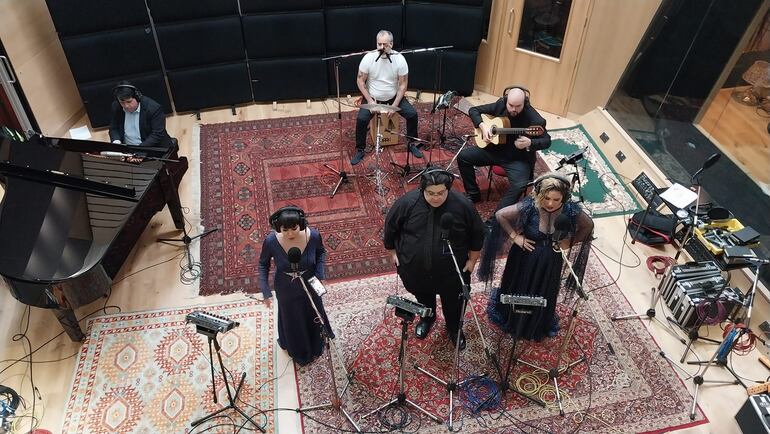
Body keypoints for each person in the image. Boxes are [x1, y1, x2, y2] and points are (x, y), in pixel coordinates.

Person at [478, 173, 593, 342]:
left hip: (551, 260)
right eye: (546, 198)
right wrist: (515, 237)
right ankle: (515, 320)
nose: (550, 203)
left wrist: (570, 242)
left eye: (556, 199)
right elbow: (500, 215)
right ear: (539, 194)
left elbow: (588, 225)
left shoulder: (570, 208)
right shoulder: (530, 206)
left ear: (565, 197)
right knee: (520, 286)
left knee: (543, 289)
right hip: (524, 259)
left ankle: (535, 323)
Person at [383, 169, 485, 349]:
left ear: (448, 189)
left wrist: (472, 261)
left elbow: (477, 234)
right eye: (430, 193)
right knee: (423, 298)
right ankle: (427, 319)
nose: (436, 198)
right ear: (422, 189)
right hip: (416, 269)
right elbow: (390, 228)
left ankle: (454, 328)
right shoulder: (407, 203)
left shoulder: (462, 205)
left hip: (452, 271)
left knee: (454, 303)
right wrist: (393, 253)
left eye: (441, 193)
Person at [258, 206, 334, 366]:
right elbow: (263, 265)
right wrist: (265, 291)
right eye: (285, 230)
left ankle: (317, 341)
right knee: (293, 318)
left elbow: (321, 253)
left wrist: (320, 275)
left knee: (316, 310)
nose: (291, 234)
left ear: (301, 224)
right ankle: (300, 350)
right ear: (279, 227)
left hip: (311, 281)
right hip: (286, 287)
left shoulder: (313, 236)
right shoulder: (271, 241)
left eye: (295, 228)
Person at [458, 86, 551, 211]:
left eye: (518, 106)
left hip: (517, 159)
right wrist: (483, 126)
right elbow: (473, 110)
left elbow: (547, 141)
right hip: (493, 150)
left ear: (525, 103)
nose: (513, 109)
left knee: (519, 186)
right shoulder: (500, 104)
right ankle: (473, 194)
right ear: (506, 100)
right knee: (463, 157)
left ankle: (497, 216)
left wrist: (530, 142)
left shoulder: (534, 119)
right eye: (511, 105)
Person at [351, 30, 422, 166]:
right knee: (361, 119)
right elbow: (360, 81)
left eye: (385, 45)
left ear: (392, 43)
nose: (382, 48)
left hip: (393, 97)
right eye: (379, 44)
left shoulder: (400, 59)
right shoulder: (368, 58)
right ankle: (360, 149)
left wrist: (395, 105)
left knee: (412, 114)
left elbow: (403, 85)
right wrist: (370, 101)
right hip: (373, 97)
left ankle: (412, 143)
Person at [109, 81, 173, 147]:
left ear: (137, 97)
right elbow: (114, 128)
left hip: (151, 147)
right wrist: (116, 142)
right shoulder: (116, 106)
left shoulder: (154, 109)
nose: (126, 106)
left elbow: (157, 134)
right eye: (122, 102)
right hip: (127, 148)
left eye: (129, 102)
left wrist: (138, 150)